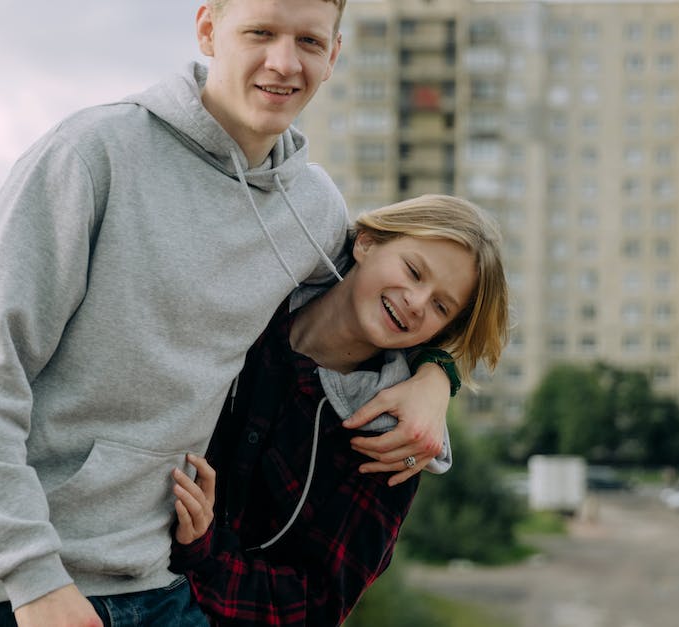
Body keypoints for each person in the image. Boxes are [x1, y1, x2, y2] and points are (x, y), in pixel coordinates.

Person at [0, 1, 455, 625]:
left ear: (333, 57)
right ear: (208, 29)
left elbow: (389, 302)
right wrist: (33, 579)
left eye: (308, 41)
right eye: (260, 33)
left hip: (154, 581)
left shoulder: (314, 210)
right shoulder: (93, 153)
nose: (283, 61)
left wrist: (438, 377)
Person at [167, 195, 510, 626]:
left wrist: (203, 552)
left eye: (442, 306)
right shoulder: (257, 289)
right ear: (366, 243)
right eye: (414, 270)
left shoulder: (391, 438)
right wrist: (438, 373)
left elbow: (316, 605)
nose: (418, 302)